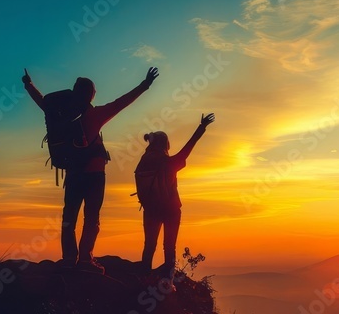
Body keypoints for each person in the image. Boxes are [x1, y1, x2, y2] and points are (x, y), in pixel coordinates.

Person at [23, 67, 159, 274]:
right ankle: (86, 260)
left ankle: (69, 259)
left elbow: (41, 101)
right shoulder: (94, 115)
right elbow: (121, 103)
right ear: (90, 95)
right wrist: (145, 85)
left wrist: (28, 85)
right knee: (92, 217)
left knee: (69, 217)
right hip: (94, 175)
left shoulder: (58, 114)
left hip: (73, 173)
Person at [135, 113, 215, 275]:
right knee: (169, 246)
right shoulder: (169, 163)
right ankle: (168, 281)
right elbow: (188, 148)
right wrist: (201, 128)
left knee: (149, 245)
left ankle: (144, 276)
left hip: (150, 209)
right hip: (171, 209)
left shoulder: (143, 161)